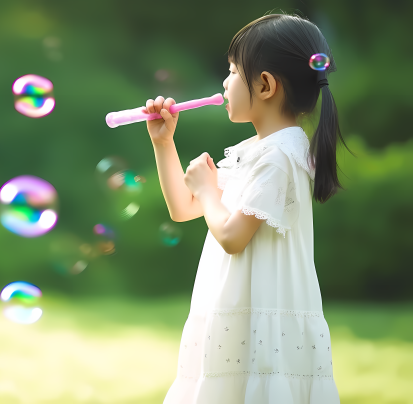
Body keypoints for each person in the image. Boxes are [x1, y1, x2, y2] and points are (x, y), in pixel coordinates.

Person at [147, 13, 349, 404]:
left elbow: (232, 236)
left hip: (262, 328)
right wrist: (163, 142)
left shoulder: (279, 157)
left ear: (265, 84)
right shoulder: (257, 152)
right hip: (238, 316)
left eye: (232, 71)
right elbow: (183, 208)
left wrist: (207, 190)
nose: (225, 82)